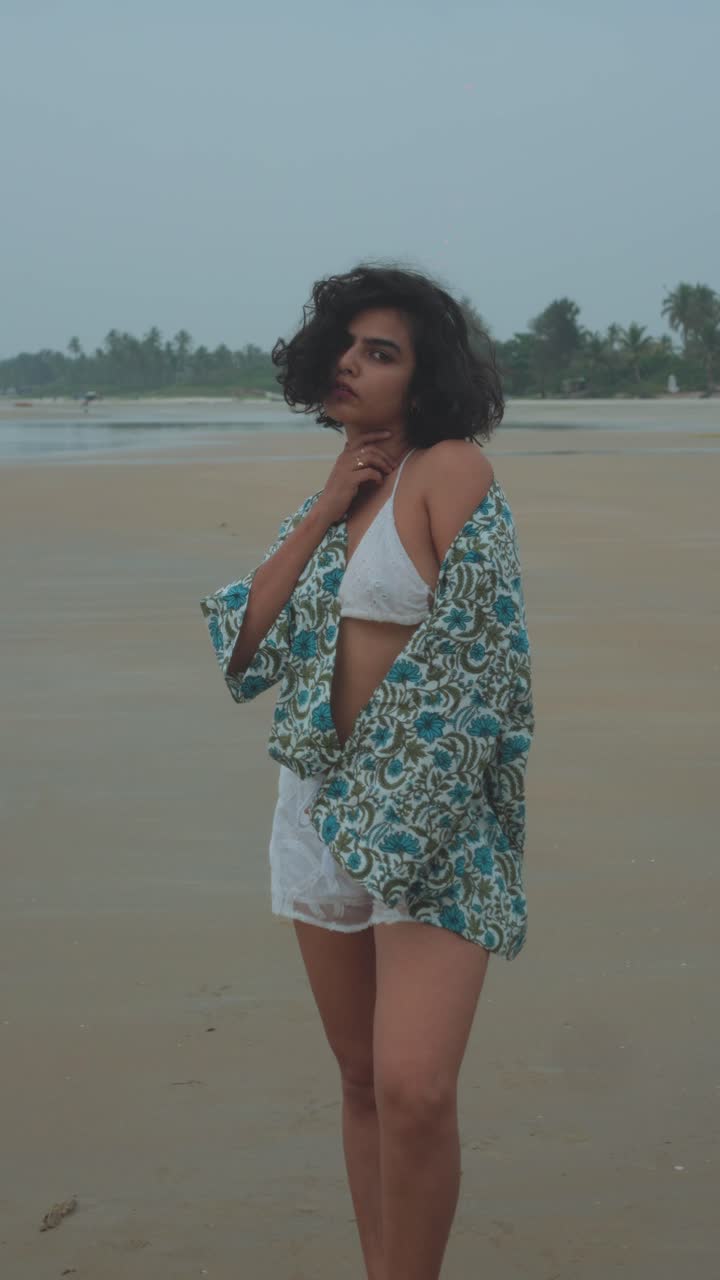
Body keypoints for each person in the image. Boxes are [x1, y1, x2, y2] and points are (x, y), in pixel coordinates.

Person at [200, 263, 533, 1280]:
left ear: (425, 378)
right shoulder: (343, 484)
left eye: (380, 352)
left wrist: (412, 813)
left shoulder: (450, 470)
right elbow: (241, 649)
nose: (351, 362)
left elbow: (486, 661)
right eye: (345, 346)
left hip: (429, 808)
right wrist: (323, 507)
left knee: (414, 1086)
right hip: (318, 805)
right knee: (359, 1079)